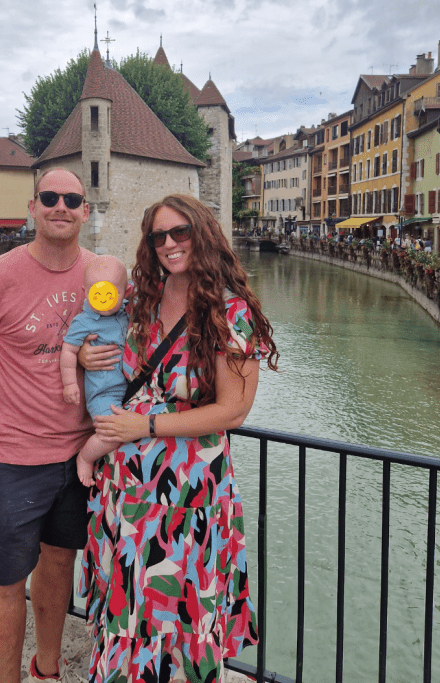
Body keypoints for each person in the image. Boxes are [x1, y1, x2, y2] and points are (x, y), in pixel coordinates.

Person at [77, 194, 279, 683]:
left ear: (202, 234)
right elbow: (102, 350)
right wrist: (84, 357)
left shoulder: (230, 311)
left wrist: (144, 426)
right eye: (158, 236)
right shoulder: (139, 302)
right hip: (125, 490)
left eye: (180, 232)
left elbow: (233, 410)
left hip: (188, 493)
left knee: (179, 608)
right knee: (129, 605)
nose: (169, 243)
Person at [0, 168, 96, 683]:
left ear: (85, 211)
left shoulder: (102, 276)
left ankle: (46, 670)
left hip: (80, 456)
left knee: (59, 564)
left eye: (72, 199)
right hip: (12, 457)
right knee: (6, 579)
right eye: (49, 197)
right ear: (33, 208)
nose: (60, 206)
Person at [60, 255, 130, 487]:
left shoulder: (126, 314)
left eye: (112, 294)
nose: (105, 301)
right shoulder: (84, 321)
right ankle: (85, 457)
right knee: (111, 435)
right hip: (103, 393)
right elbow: (68, 351)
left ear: (125, 292)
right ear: (86, 292)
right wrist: (70, 384)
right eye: (97, 294)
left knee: (126, 430)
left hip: (128, 392)